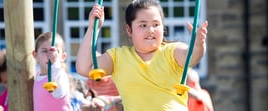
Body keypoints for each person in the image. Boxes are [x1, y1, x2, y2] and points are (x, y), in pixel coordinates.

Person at [76, 0, 208, 110]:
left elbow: (190, 56)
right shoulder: (118, 57)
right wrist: (93, 28)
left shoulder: (172, 51)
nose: (150, 30)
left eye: (156, 24)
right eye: (143, 25)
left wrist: (198, 45)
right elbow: (85, 68)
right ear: (129, 29)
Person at [33, 32, 70, 111]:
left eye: (55, 52)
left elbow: (59, 93)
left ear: (63, 56)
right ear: (35, 55)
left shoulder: (60, 75)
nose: (49, 56)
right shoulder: (36, 77)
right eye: (44, 51)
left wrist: (55, 63)